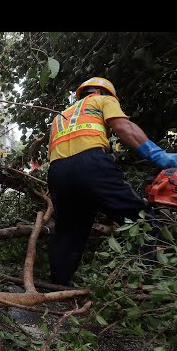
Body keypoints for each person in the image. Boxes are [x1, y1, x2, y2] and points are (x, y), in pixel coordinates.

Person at [47, 77, 177, 286]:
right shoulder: (101, 100)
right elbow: (123, 127)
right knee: (140, 218)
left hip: (57, 171)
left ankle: (58, 286)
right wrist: (159, 156)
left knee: (70, 230)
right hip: (91, 163)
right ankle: (149, 284)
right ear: (102, 92)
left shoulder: (61, 117)